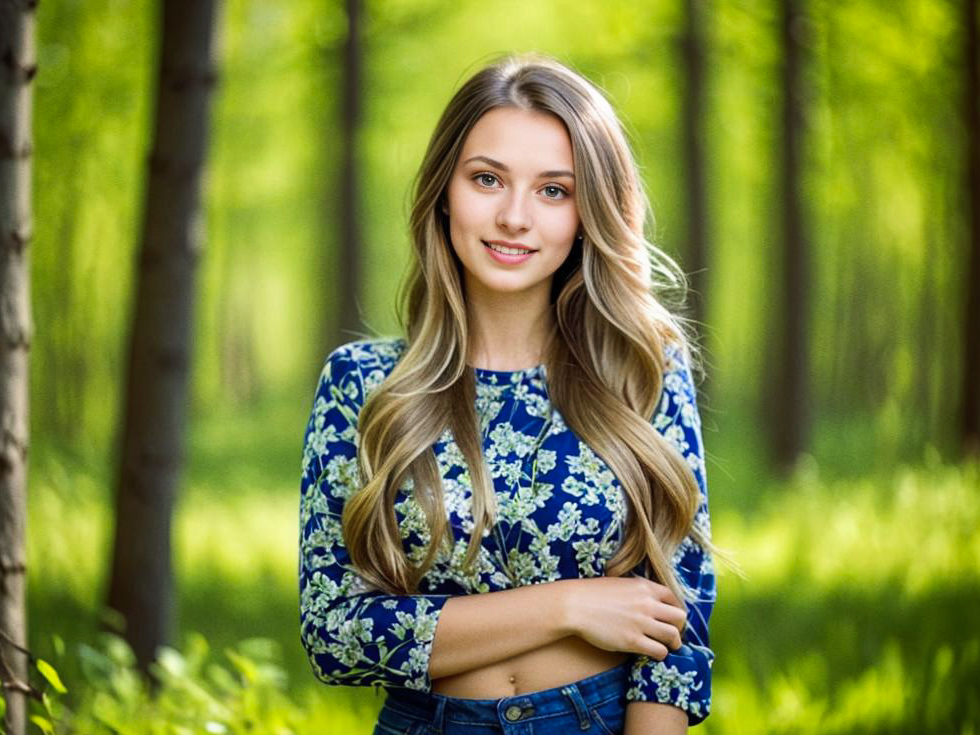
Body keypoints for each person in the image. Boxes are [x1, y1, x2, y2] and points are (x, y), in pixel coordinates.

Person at [299, 54, 716, 735]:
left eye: (554, 190)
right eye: (487, 179)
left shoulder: (641, 371)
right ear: (444, 191)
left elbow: (677, 632)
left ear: (590, 211)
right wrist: (567, 606)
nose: (514, 216)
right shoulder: (363, 385)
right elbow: (335, 630)